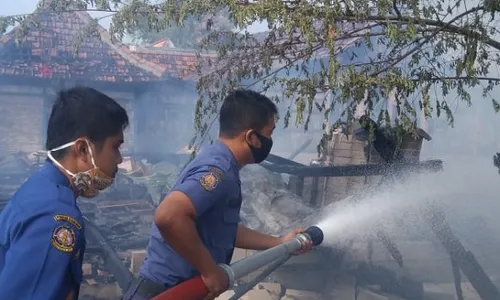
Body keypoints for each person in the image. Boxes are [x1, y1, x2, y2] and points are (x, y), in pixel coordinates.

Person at [122, 89, 313, 300]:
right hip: (167, 292)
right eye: (269, 133)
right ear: (251, 137)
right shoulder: (218, 171)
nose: (270, 140)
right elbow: (169, 216)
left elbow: (223, 229)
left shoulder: (223, 165)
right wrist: (210, 271)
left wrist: (279, 242)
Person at [0, 87, 129, 299]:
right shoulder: (56, 218)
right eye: (116, 146)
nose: (120, 159)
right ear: (83, 149)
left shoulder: (39, 187)